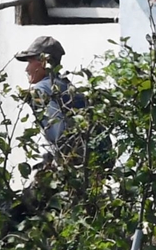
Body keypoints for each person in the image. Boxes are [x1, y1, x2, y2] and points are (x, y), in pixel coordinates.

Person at [15, 35, 112, 167]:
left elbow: (59, 135)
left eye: (30, 62)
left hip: (79, 163)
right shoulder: (66, 85)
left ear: (44, 62)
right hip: (101, 161)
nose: (27, 69)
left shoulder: (40, 90)